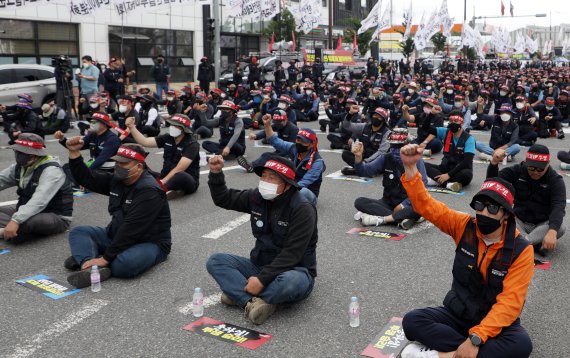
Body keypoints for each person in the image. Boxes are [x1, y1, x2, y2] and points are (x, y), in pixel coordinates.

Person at [399, 143, 534, 358]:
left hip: (493, 322)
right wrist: (410, 168)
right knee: (412, 321)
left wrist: (477, 337)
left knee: (521, 346)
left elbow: (510, 303)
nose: (484, 213)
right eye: (480, 205)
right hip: (459, 313)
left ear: (506, 215)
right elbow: (426, 206)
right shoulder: (464, 225)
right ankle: (463, 353)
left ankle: (440, 355)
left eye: (492, 208)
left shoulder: (521, 250)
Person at [206, 153, 317, 325]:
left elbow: (292, 254)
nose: (265, 181)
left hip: (294, 269)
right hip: (259, 265)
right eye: (263, 176)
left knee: (290, 283)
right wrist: (215, 174)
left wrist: (261, 280)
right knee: (216, 261)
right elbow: (224, 198)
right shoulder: (257, 197)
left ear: (287, 185)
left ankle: (239, 293)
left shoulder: (302, 209)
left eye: (272, 178)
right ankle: (252, 302)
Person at [64, 143, 171, 288]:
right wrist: (74, 153)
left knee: (125, 265)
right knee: (79, 232)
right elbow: (87, 178)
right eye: (117, 162)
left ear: (139, 167)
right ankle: (89, 266)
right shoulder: (117, 180)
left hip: (148, 241)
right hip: (116, 233)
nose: (118, 166)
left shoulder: (149, 190)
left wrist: (106, 258)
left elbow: (132, 228)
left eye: (124, 163)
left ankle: (95, 260)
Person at [487, 144, 566, 256]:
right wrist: (494, 163)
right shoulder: (518, 170)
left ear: (548, 165)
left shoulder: (555, 180)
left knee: (560, 227)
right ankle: (534, 244)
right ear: (525, 162)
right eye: (531, 167)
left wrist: (552, 232)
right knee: (499, 216)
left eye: (540, 169)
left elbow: (558, 206)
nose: (535, 172)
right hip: (519, 220)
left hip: (542, 224)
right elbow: (492, 184)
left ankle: (519, 243)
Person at [0, 134, 73, 244]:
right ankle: (10, 230)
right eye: (17, 152)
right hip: (26, 209)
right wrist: (17, 219)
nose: (18, 155)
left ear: (34, 155)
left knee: (27, 224)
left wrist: (16, 220)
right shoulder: (19, 167)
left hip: (55, 215)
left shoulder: (51, 171)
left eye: (22, 153)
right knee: (20, 221)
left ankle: (9, 231)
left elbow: (39, 201)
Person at [352, 128, 428, 230]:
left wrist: (403, 205)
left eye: (400, 146)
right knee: (359, 202)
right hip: (388, 203)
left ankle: (384, 218)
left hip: (409, 203)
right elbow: (364, 172)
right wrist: (358, 157)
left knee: (419, 208)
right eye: (393, 146)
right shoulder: (385, 158)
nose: (396, 150)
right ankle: (401, 218)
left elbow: (422, 188)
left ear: (408, 145)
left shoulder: (415, 160)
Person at [126, 114, 200, 199]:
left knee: (180, 175)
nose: (172, 127)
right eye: (172, 124)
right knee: (143, 169)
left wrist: (162, 182)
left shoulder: (192, 144)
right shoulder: (167, 137)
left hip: (187, 179)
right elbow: (145, 141)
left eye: (176, 126)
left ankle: (157, 190)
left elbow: (180, 168)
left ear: (184, 129)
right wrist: (131, 127)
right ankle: (167, 190)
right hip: (165, 175)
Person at [261, 116, 325, 206]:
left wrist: (284, 188)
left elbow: (304, 183)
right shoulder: (294, 148)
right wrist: (267, 125)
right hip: (292, 186)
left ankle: (283, 200)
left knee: (303, 191)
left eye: (303, 141)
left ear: (311, 144)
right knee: (273, 172)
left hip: (307, 193)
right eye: (298, 139)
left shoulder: (317, 162)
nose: (299, 143)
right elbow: (275, 141)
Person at [421, 113, 475, 192]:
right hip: (445, 168)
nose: (453, 123)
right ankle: (448, 185)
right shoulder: (445, 132)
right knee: (423, 165)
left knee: (466, 175)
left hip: (460, 170)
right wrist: (432, 114)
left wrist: (448, 175)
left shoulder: (469, 139)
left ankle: (437, 181)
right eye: (451, 121)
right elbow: (425, 128)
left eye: (456, 121)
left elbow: (466, 162)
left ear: (462, 123)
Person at [340, 106, 391, 175]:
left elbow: (381, 152)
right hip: (363, 157)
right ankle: (361, 169)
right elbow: (347, 126)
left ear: (383, 120)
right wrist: (350, 114)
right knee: (345, 154)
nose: (376, 117)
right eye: (375, 115)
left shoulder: (387, 133)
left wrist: (366, 161)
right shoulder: (364, 126)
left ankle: (359, 170)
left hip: (376, 160)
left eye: (379, 117)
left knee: (382, 160)